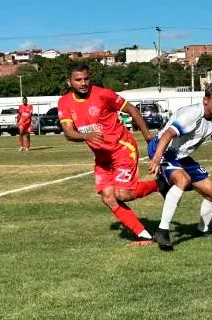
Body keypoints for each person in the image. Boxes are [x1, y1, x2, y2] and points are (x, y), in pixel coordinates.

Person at [57, 63, 160, 246]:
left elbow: (132, 110)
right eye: (78, 80)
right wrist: (85, 136)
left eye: (86, 79)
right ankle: (144, 235)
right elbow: (68, 132)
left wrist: (148, 138)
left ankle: (161, 184)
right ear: (69, 82)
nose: (83, 83)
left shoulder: (104, 94)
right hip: (102, 158)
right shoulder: (64, 102)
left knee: (123, 194)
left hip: (122, 149)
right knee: (108, 197)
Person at [147, 83, 212, 251]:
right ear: (205, 101)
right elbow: (168, 134)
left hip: (181, 155)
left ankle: (202, 229)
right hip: (163, 149)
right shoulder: (192, 114)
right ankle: (162, 231)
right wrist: (157, 158)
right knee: (183, 180)